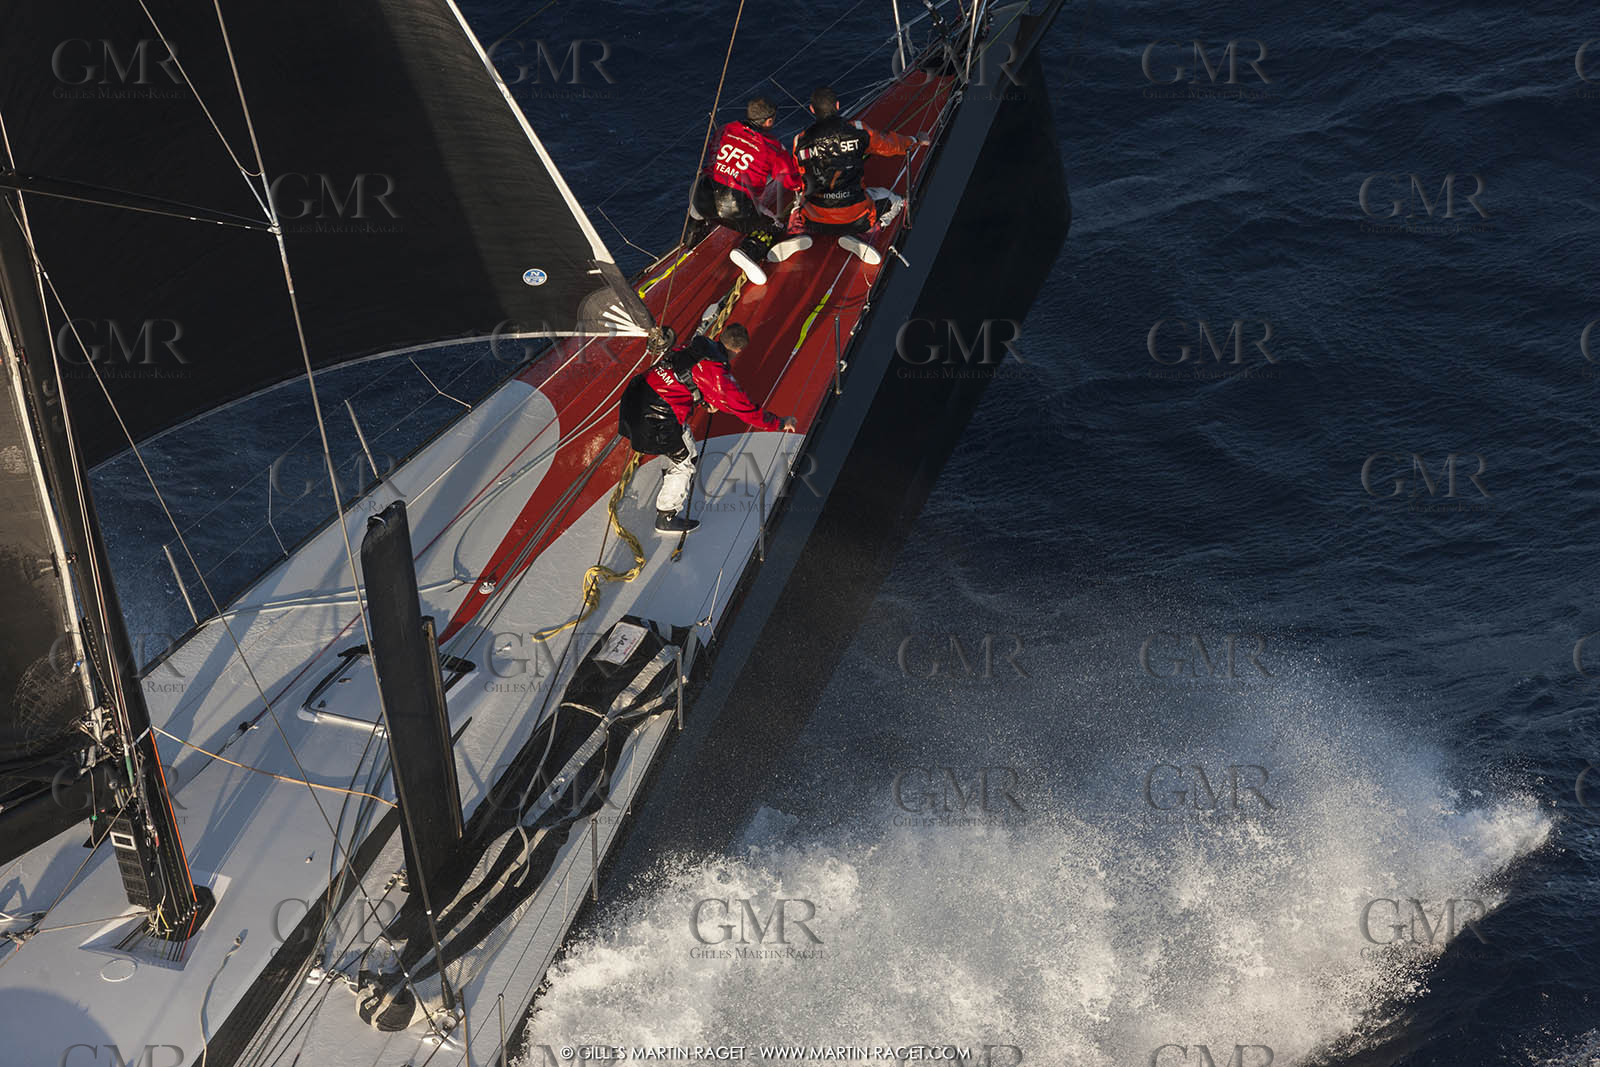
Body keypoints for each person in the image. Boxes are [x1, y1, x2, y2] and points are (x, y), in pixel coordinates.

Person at [617, 323, 799, 534]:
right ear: (738, 351)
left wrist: (703, 399)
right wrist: (779, 422)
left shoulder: (694, 345)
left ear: (721, 337)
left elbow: (682, 373)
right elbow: (746, 410)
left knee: (684, 449)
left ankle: (671, 477)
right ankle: (666, 516)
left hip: (636, 395)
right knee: (685, 462)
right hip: (656, 417)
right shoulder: (718, 376)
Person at [793, 85, 930, 266]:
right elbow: (890, 146)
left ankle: (796, 227)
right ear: (838, 105)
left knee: (801, 195)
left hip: (814, 219)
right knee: (895, 200)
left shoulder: (800, 140)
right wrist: (916, 141)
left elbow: (801, 174)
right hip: (855, 218)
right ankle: (869, 231)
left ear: (812, 109)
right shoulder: (858, 130)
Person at [687, 97, 812, 286]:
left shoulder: (725, 129)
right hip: (735, 207)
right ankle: (748, 250)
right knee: (774, 226)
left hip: (701, 196)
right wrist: (802, 186)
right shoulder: (773, 147)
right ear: (769, 121)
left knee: (701, 194)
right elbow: (789, 180)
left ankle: (691, 238)